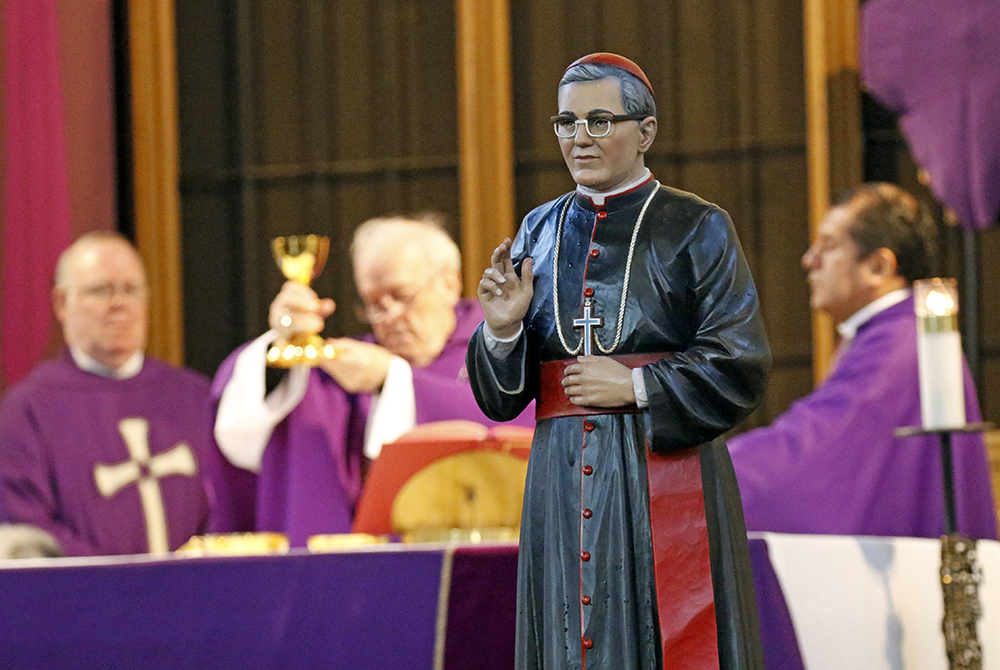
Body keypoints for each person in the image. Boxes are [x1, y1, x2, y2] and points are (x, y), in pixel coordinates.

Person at [466, 53, 771, 669]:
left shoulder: (697, 225)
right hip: (559, 474)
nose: (579, 138)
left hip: (657, 464)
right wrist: (501, 331)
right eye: (566, 122)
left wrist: (637, 386)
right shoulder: (538, 229)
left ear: (646, 131)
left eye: (600, 121)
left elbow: (739, 358)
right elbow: (502, 400)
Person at [212, 214, 534, 546]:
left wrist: (392, 379)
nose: (389, 317)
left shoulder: (502, 341)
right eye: (373, 304)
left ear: (450, 284)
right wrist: (286, 343)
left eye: (401, 296)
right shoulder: (354, 366)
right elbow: (241, 425)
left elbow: (517, 420)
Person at [729, 183, 998, 540]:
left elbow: (813, 451)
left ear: (878, 266)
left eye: (829, 245)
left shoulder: (899, 348)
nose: (809, 260)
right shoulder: (895, 336)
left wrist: (715, 472)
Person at [0, 232, 224, 556]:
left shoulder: (193, 396)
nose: (119, 304)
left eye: (131, 290)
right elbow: (29, 530)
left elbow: (231, 502)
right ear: (62, 303)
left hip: (196, 595)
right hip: (87, 601)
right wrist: (121, 586)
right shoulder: (27, 410)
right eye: (101, 290)